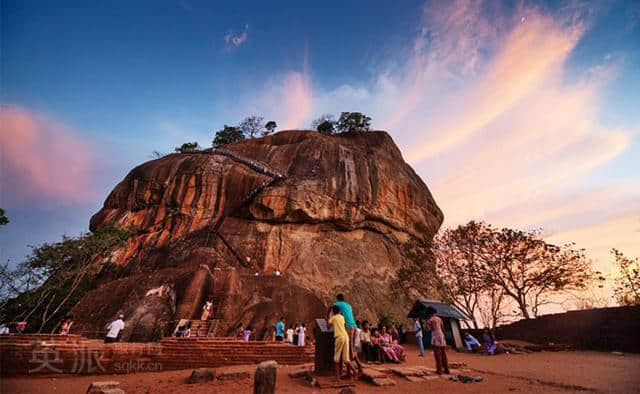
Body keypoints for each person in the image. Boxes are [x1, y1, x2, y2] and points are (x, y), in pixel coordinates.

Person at [328, 305, 358, 382]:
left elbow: (328, 326)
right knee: (346, 359)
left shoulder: (333, 318)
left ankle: (337, 378)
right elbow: (343, 325)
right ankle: (355, 373)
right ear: (340, 311)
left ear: (333, 312)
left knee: (336, 359)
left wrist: (328, 313)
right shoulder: (342, 317)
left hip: (339, 337)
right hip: (346, 336)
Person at [425, 306, 449, 374]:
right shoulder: (439, 319)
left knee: (437, 355)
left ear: (429, 313)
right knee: (443, 354)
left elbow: (428, 329)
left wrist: (426, 324)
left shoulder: (430, 320)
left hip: (435, 336)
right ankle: (446, 369)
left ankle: (439, 370)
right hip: (441, 336)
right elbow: (442, 328)